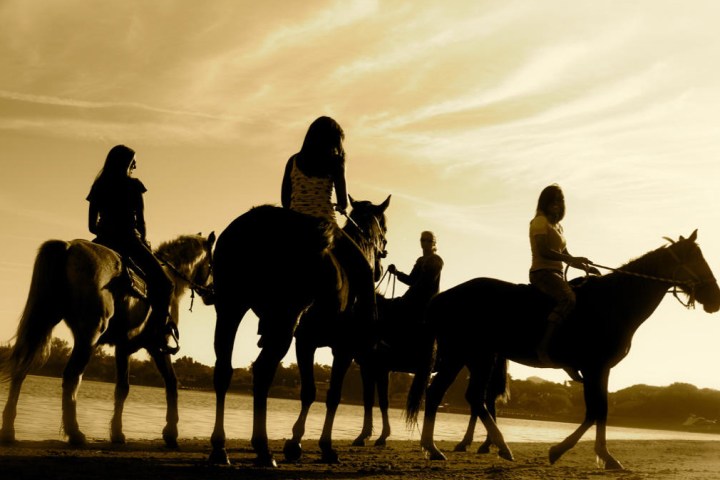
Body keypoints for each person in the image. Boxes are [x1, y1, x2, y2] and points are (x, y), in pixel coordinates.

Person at [281, 116, 377, 328]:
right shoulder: (335, 162)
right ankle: (368, 328)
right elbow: (343, 202)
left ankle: (265, 324)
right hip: (323, 224)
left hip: (292, 224)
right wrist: (340, 205)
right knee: (364, 270)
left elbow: (284, 199)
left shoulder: (293, 160)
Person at [87, 144, 178, 354]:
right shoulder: (134, 186)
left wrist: (106, 230)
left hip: (102, 241)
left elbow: (91, 225)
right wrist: (143, 241)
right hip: (128, 241)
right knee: (166, 285)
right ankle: (157, 334)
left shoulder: (98, 186)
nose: (135, 165)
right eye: (133, 161)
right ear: (126, 163)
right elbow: (141, 224)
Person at [529, 184, 598, 381]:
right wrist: (571, 260)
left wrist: (585, 267)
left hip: (557, 274)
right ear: (545, 203)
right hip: (542, 273)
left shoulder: (557, 226)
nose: (557, 205)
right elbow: (543, 251)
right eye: (554, 201)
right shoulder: (539, 222)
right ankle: (543, 347)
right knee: (568, 299)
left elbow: (565, 255)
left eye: (560, 202)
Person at [388, 230, 444, 319]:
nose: (425, 242)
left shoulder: (436, 260)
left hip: (425, 303)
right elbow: (411, 280)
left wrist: (405, 298)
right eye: (423, 240)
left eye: (429, 240)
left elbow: (425, 284)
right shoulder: (420, 260)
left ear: (433, 243)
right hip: (413, 299)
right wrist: (396, 272)